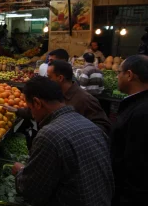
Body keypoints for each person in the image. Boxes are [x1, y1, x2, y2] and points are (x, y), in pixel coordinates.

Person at [13, 76, 114, 206]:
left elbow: (30, 190)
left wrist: (20, 172)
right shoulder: (90, 125)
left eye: (30, 108)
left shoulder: (49, 135)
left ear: (37, 103)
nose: (32, 115)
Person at [6, 60, 111, 135]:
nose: (46, 80)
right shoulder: (55, 94)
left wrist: (72, 133)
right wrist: (17, 110)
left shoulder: (85, 99)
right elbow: (42, 110)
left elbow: (104, 128)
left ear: (60, 78)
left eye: (49, 77)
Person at [111, 55, 148, 206]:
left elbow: (137, 163)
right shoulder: (137, 105)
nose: (117, 76)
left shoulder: (141, 112)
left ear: (129, 75)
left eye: (119, 72)